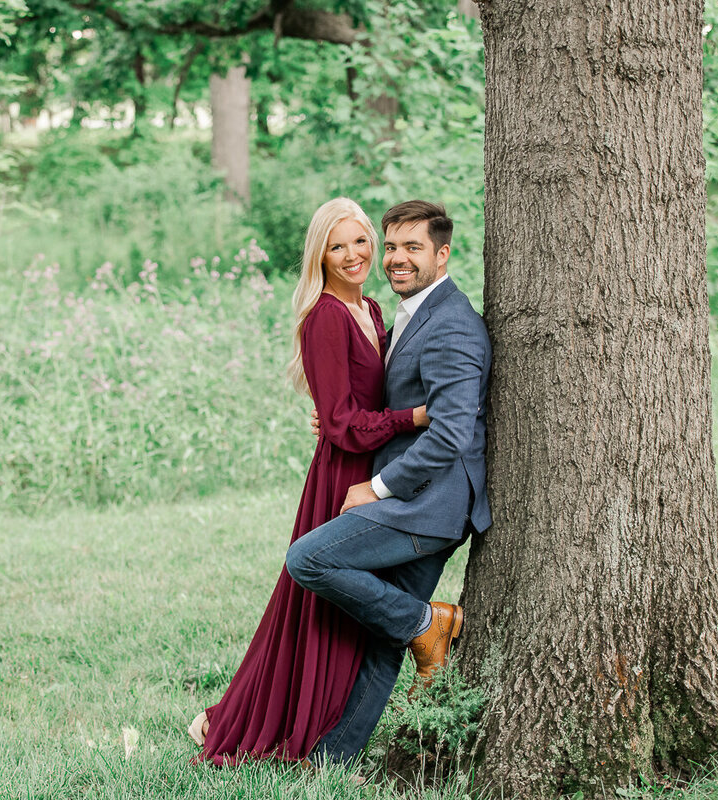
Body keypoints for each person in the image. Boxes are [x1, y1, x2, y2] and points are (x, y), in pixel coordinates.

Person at [188, 197, 430, 765]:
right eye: (336, 246)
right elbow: (344, 424)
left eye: (360, 241)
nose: (352, 255)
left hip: (372, 469)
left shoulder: (372, 309)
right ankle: (242, 721)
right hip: (342, 474)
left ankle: (313, 719)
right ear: (320, 256)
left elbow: (358, 399)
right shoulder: (324, 316)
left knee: (338, 605)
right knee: (317, 605)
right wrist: (414, 418)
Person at [285, 200, 491, 768]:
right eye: (393, 245)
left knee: (309, 560)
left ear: (443, 254)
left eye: (413, 248)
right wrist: (334, 416)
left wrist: (377, 488)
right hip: (420, 498)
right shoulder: (402, 312)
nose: (397, 258)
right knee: (384, 638)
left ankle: (431, 624)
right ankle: (333, 759)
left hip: (431, 504)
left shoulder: (452, 324)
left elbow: (448, 434)